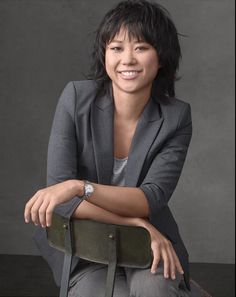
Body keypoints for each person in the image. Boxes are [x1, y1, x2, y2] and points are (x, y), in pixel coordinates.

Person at [24, 0, 196, 296]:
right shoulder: (76, 97)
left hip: (147, 244)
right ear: (105, 55)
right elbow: (61, 199)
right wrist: (135, 223)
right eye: (116, 48)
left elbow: (150, 198)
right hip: (82, 240)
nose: (127, 59)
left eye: (141, 47)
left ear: (162, 56)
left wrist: (80, 187)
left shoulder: (176, 117)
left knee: (154, 290)